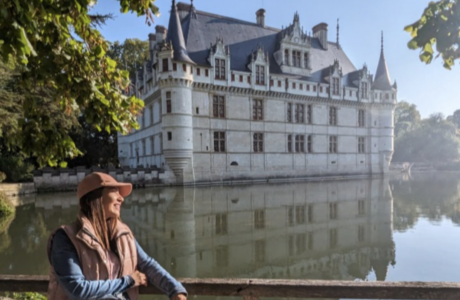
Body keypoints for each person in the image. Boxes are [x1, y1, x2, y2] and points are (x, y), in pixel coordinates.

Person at [47, 172, 187, 300]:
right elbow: (77, 289)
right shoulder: (66, 238)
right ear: (94, 198)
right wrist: (129, 281)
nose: (121, 198)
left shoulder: (123, 233)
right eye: (114, 191)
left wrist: (175, 290)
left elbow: (147, 264)